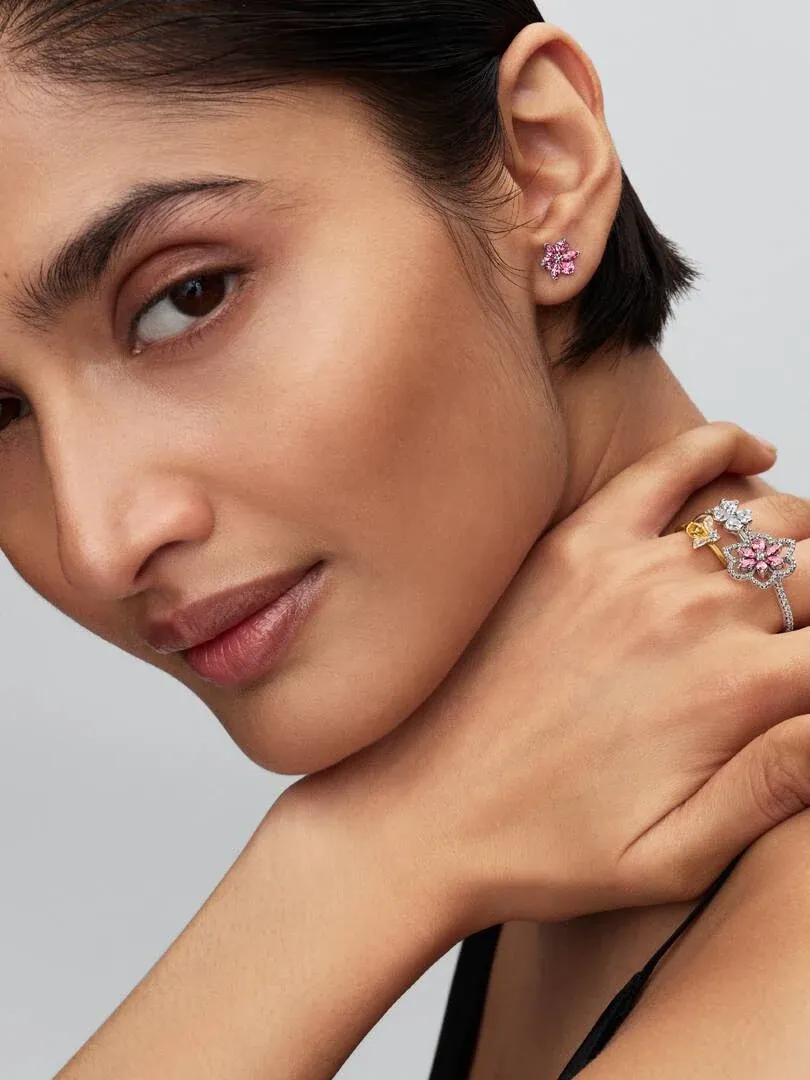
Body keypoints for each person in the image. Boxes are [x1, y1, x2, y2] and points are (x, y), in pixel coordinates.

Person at [2, 2, 810, 1077]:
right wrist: (390, 847)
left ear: (540, 168)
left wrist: (356, 867)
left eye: (184, 298)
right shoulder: (547, 781)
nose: (96, 542)